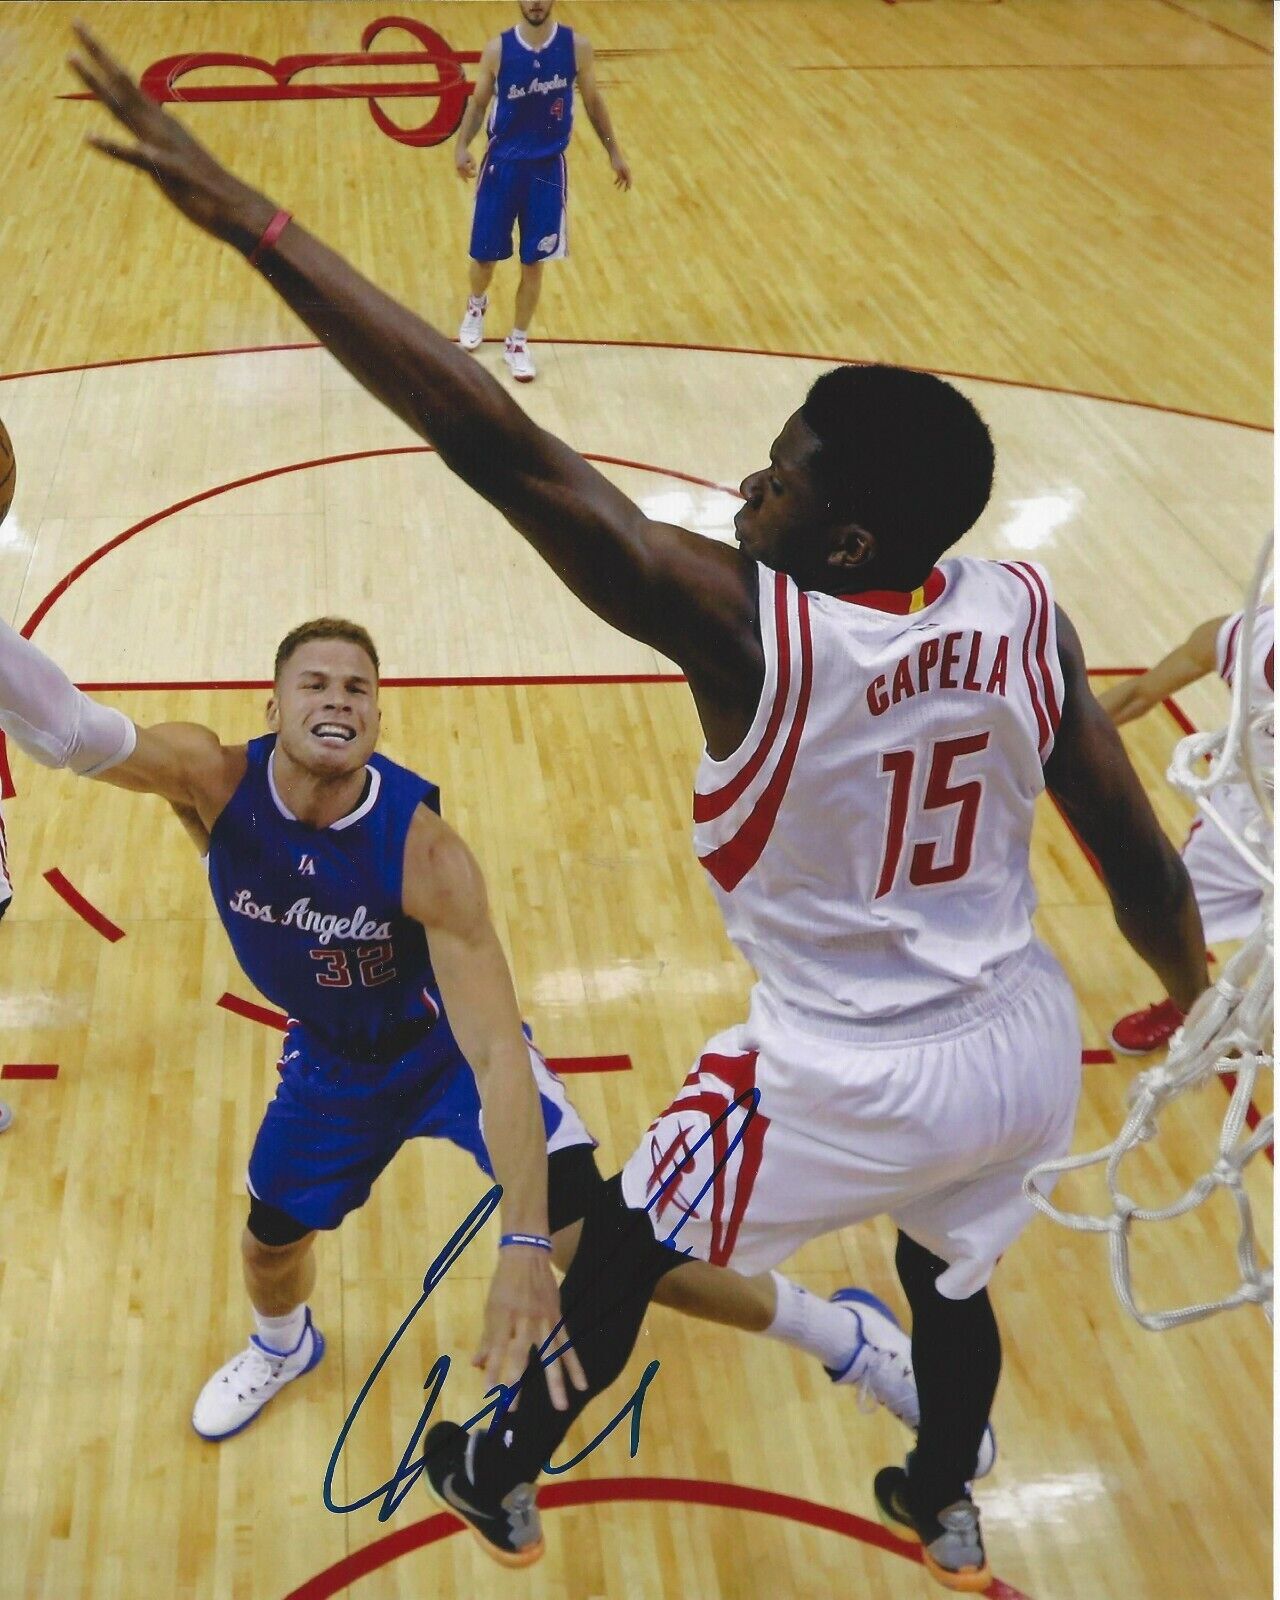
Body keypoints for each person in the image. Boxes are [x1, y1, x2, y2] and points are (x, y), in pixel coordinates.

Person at [71, 32, 1205, 1589]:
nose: (752, 485)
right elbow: (1140, 861)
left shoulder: (752, 626)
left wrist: (254, 222)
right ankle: (941, 1486)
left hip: (839, 1067)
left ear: (847, 533)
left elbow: (499, 446)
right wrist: (1197, 994)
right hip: (1018, 1045)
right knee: (952, 1286)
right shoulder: (1026, 612)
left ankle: (495, 1454)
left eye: (786, 481)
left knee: (621, 1241)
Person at [0, 599, 937, 1452]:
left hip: (443, 1054)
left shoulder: (425, 850)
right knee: (268, 1241)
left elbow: (495, 1056)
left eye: (359, 688)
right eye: (315, 683)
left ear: (377, 715)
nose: (339, 699)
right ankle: (283, 1347)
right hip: (333, 1065)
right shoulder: (209, 777)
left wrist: (526, 1243)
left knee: (598, 1248)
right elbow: (71, 731)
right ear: (272, 705)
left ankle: (844, 1338)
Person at [1098, 605, 1274, 1054]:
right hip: (1239, 821)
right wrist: (1042, 738)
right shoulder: (1239, 635)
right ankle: (1189, 1004)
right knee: (1171, 925)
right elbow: (1140, 695)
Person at [453, 0, 631, 383]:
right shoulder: (498, 49)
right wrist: (461, 145)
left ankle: (517, 341)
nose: (535, 2)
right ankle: (476, 305)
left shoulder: (575, 47)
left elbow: (594, 102)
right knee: (484, 260)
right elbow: (479, 102)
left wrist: (614, 151)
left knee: (534, 263)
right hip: (502, 167)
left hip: (547, 172)